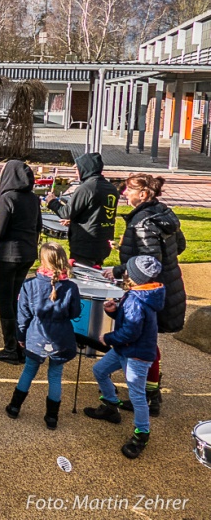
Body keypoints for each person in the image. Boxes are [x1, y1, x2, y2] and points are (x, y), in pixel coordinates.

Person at [110, 174, 186, 418]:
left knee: (145, 343)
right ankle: (150, 392)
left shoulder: (142, 221)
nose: (124, 194)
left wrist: (119, 270)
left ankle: (147, 397)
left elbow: (148, 262)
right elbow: (179, 246)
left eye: (128, 190)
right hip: (168, 285)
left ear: (143, 194)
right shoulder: (163, 213)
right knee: (149, 341)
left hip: (149, 290)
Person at [84, 256, 165, 460]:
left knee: (137, 395)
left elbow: (131, 332)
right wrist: (115, 312)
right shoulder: (140, 294)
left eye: (128, 270)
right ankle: (110, 406)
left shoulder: (137, 300)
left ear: (135, 277)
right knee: (100, 370)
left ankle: (141, 434)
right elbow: (130, 322)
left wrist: (108, 337)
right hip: (126, 349)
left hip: (136, 354)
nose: (124, 272)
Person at [5, 243, 81, 429]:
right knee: (55, 375)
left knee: (29, 370)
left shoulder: (30, 285)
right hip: (61, 337)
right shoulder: (71, 287)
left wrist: (21, 337)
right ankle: (51, 417)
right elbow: (75, 312)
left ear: (42, 260)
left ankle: (15, 407)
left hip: (36, 335)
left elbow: (23, 315)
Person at [0, 160, 43, 364]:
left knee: (6, 301)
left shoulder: (8, 198)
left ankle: (10, 348)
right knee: (17, 300)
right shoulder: (33, 199)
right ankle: (21, 343)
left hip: (8, 256)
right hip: (28, 254)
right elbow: (38, 226)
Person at [43, 152, 118, 267]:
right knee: (95, 272)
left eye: (77, 168)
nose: (76, 172)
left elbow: (65, 213)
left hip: (85, 244)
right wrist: (74, 222)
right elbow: (95, 213)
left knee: (83, 277)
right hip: (103, 243)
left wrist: (52, 201)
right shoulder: (110, 188)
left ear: (86, 168)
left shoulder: (87, 188)